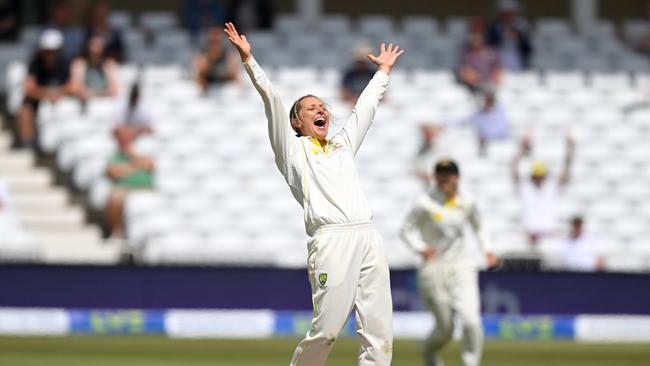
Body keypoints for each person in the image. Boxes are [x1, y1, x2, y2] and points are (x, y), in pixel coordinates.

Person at [224, 22, 403, 366]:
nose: (321, 110)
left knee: (379, 333)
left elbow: (364, 108)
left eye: (322, 106)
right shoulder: (292, 151)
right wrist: (249, 61)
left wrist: (383, 71)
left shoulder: (342, 145)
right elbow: (273, 102)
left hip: (368, 235)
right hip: (331, 240)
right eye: (311, 108)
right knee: (328, 330)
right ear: (296, 122)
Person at [400, 159, 498, 366]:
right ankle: (428, 350)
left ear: (457, 177)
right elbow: (405, 230)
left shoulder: (467, 201)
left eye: (448, 174)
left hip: (462, 266)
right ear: (434, 177)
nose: (444, 178)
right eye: (440, 174)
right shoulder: (425, 202)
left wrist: (488, 250)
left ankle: (471, 363)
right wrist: (421, 248)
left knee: (472, 321)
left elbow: (479, 226)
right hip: (433, 269)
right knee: (445, 329)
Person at [512, 134, 575, 246]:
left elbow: (566, 172)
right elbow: (514, 170)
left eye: (541, 176)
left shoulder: (552, 187)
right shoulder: (526, 188)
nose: (539, 179)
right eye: (536, 176)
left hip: (549, 235)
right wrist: (521, 150)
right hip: (530, 235)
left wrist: (569, 150)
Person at [15, 29, 72, 149]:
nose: (50, 54)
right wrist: (48, 94)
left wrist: (58, 93)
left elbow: (73, 86)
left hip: (62, 99)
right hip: (41, 98)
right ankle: (27, 140)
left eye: (53, 51)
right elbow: (29, 88)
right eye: (47, 51)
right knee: (25, 106)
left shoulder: (65, 63)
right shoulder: (35, 63)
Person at [105, 127, 155, 239]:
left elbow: (150, 164)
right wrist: (136, 166)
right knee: (114, 198)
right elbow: (112, 172)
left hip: (145, 188)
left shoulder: (142, 149)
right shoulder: (114, 154)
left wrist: (131, 156)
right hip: (125, 188)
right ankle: (117, 231)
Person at [455, 87, 510, 156]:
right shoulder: (478, 112)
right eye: (486, 101)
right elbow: (465, 121)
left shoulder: (500, 113)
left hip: (497, 142)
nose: (486, 103)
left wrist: (485, 136)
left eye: (489, 101)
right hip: (482, 142)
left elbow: (501, 131)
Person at [69, 35, 120, 100]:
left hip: (106, 102)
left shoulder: (110, 64)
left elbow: (115, 89)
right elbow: (75, 87)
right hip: (85, 101)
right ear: (88, 47)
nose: (96, 49)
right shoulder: (79, 64)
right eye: (94, 45)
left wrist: (94, 94)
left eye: (99, 46)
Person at [486, 0, 532, 71]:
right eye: (505, 13)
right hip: (499, 57)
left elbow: (527, 46)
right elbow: (490, 43)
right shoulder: (495, 26)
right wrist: (502, 35)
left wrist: (518, 37)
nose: (508, 16)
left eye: (510, 13)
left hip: (517, 58)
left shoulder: (522, 25)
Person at [194, 26, 240, 94]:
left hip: (225, 87)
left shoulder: (229, 54)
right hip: (208, 87)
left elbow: (234, 76)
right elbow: (200, 75)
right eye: (212, 42)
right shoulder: (203, 54)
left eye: (217, 42)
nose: (215, 45)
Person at [457, 26, 503, 95]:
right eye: (473, 38)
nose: (476, 40)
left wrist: (495, 76)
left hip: (490, 80)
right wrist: (476, 78)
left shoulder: (491, 51)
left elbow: (497, 66)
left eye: (478, 38)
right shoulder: (466, 53)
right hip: (474, 83)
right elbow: (464, 69)